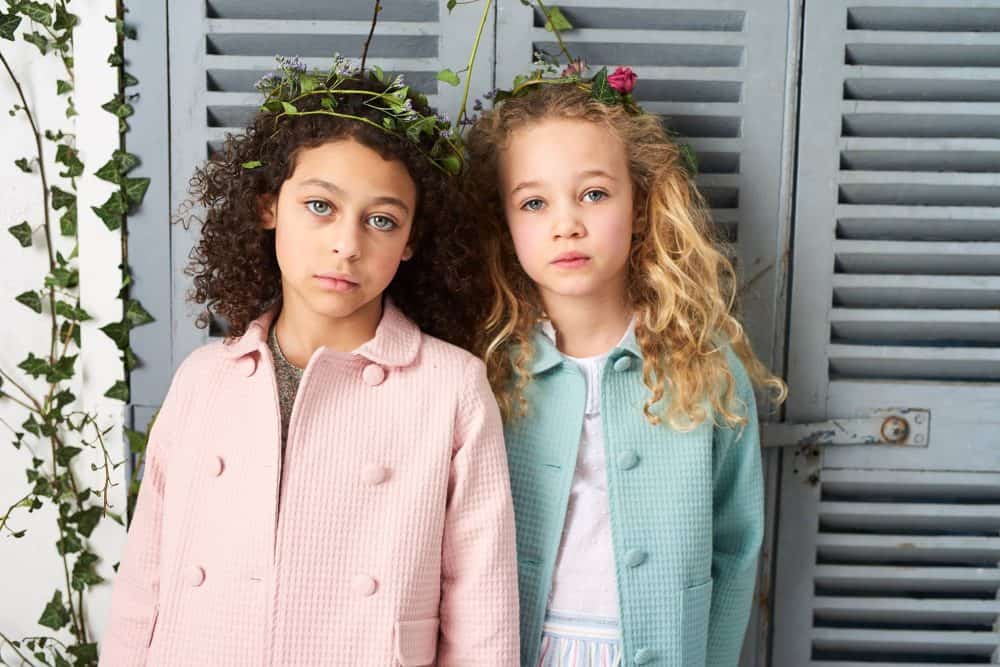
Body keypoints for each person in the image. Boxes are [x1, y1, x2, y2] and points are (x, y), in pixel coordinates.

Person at [101, 55, 518, 666]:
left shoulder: (450, 387)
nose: (347, 244)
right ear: (269, 207)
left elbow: (481, 602)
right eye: (320, 206)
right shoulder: (204, 378)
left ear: (410, 244)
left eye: (381, 220)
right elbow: (144, 581)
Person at [464, 64, 786, 667]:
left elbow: (737, 546)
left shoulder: (706, 365)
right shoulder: (479, 366)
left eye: (594, 193)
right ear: (504, 228)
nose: (568, 224)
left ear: (640, 206)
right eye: (534, 202)